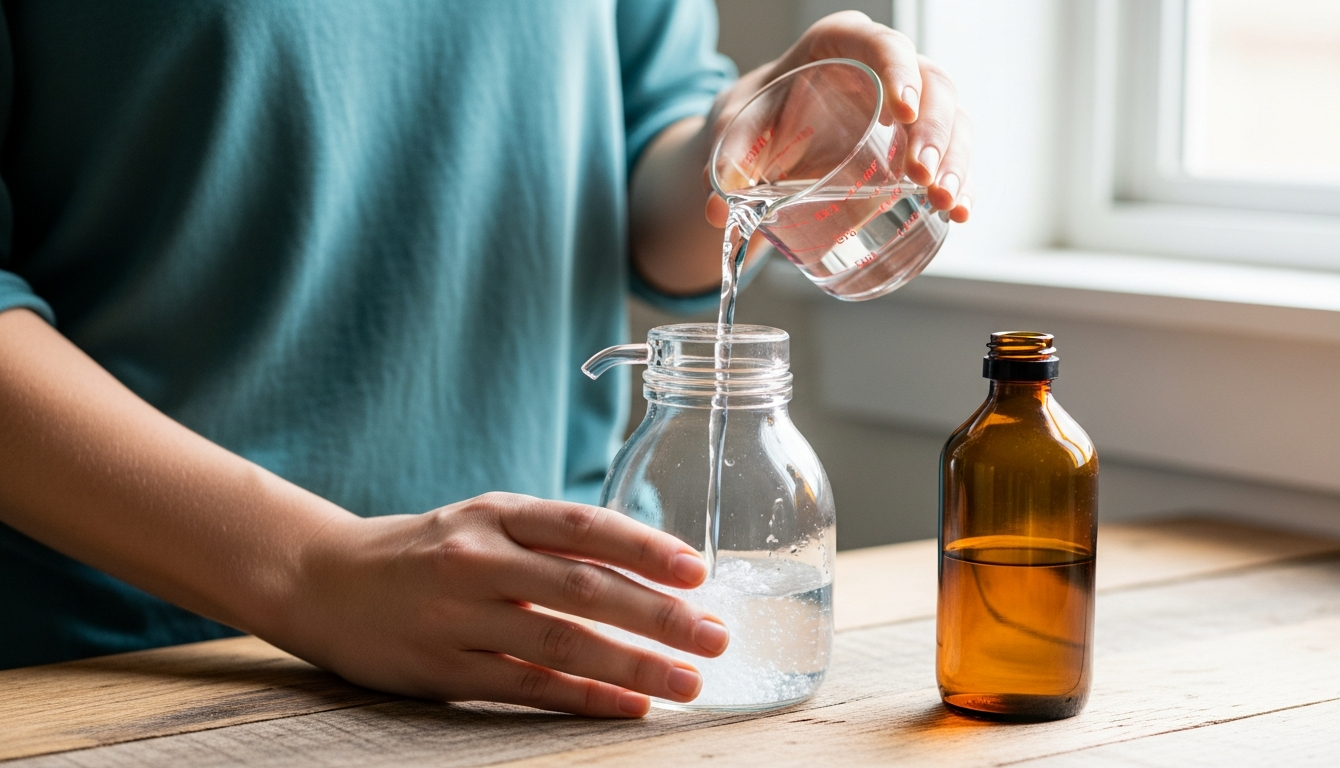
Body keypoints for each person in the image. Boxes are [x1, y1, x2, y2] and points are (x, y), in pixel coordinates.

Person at [0, 1, 971, 717]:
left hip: (547, 651)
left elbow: (651, 181)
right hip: (136, 666)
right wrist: (311, 570)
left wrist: (762, 139)